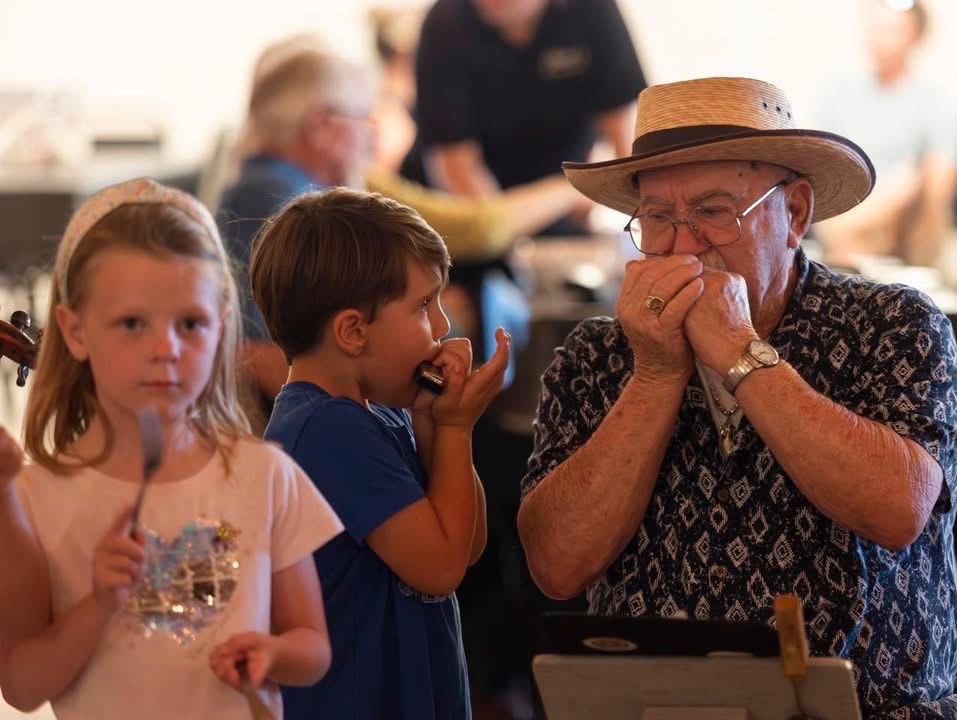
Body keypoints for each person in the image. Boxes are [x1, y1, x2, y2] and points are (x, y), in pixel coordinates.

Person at [518, 77, 957, 719]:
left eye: (712, 211)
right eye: (657, 218)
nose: (682, 246)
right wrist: (654, 375)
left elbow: (898, 508)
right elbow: (558, 565)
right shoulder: (596, 355)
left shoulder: (894, 325)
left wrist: (740, 351)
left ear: (793, 213)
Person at [0, 178, 343, 718]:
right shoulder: (32, 497)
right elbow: (20, 686)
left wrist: (273, 652)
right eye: (133, 323)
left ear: (222, 327)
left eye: (191, 324)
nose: (166, 349)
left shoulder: (266, 474)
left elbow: (314, 648)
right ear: (74, 330)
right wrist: (99, 605)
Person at [217, 38, 582, 426]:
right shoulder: (282, 202)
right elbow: (264, 353)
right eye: (363, 118)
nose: (371, 137)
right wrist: (364, 436)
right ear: (323, 126)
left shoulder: (283, 187)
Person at [250, 187, 510, 719]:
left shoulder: (379, 415)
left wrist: (434, 422)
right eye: (423, 306)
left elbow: (467, 544)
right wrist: (458, 426)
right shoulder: (327, 429)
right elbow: (440, 569)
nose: (442, 327)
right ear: (352, 331)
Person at [411, 0, 646, 235]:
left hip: (566, 201)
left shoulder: (593, 10)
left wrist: (645, 224)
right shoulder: (445, 24)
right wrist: (561, 197)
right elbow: (458, 171)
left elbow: (626, 143)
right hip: (474, 208)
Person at [811, 0, 957, 268]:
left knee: (909, 183)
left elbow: (943, 178)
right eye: (875, 28)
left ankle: (852, 244)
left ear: (915, 35)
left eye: (891, 30)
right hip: (845, 205)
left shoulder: (935, 100)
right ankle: (850, 243)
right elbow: (817, 161)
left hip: (901, 221)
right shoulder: (838, 93)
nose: (880, 39)